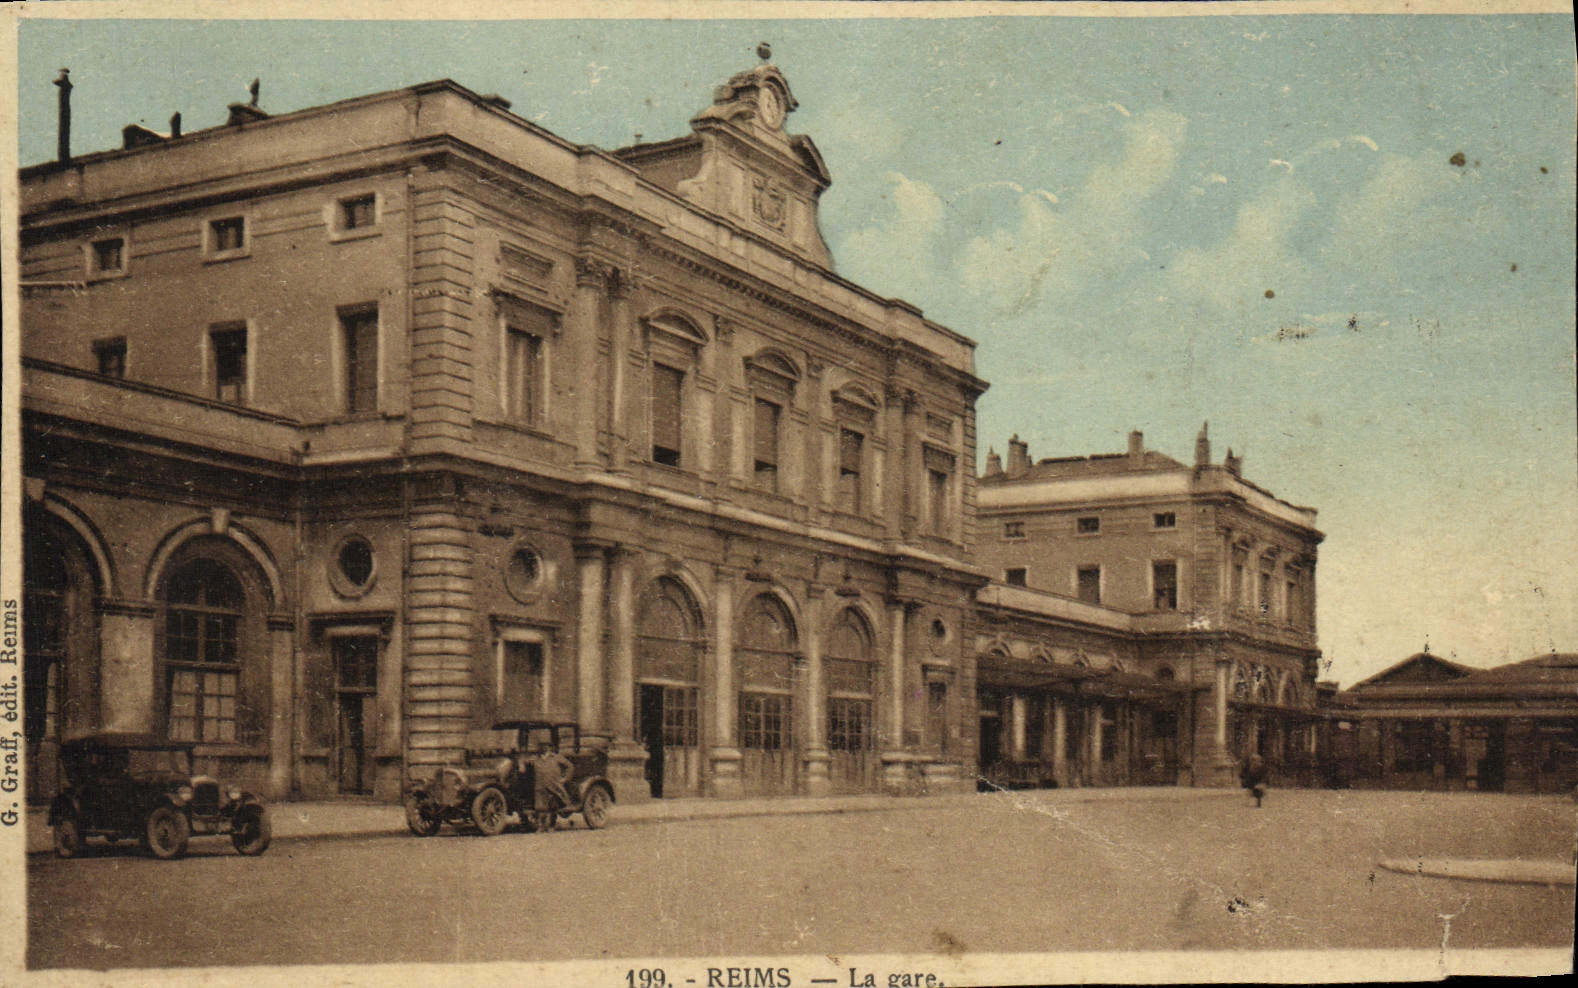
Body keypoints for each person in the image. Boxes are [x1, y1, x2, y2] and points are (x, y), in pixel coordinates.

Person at [529, 742, 574, 820]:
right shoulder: (535, 758)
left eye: (546, 746)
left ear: (550, 748)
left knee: (555, 806)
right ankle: (542, 824)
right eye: (541, 746)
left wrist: (565, 778)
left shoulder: (556, 757)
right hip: (540, 788)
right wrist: (521, 765)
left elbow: (570, 766)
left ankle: (551, 823)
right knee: (540, 808)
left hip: (554, 787)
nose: (543, 748)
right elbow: (524, 760)